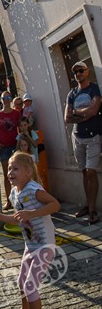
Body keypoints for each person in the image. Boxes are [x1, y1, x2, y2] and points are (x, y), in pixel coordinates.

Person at [0, 151, 60, 309]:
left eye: (15, 168)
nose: (10, 171)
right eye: (9, 168)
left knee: (30, 286)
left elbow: (55, 205)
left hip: (44, 246)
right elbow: (17, 219)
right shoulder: (14, 193)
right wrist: (1, 217)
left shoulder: (33, 189)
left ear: (28, 172)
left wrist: (32, 213)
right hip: (31, 245)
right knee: (22, 281)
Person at [64, 61, 101, 223]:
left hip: (94, 136)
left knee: (91, 171)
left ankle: (93, 209)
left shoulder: (94, 89)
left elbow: (95, 110)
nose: (78, 74)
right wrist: (85, 114)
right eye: (75, 72)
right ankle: (87, 205)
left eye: (81, 70)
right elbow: (67, 118)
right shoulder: (72, 94)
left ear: (87, 72)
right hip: (78, 136)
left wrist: (77, 112)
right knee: (84, 172)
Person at [0, 91, 22, 208]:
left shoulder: (16, 114)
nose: (6, 99)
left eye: (8, 97)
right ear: (1, 100)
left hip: (15, 146)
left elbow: (21, 129)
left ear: (11, 99)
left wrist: (20, 143)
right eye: (4, 97)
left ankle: (20, 199)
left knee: (19, 173)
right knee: (6, 174)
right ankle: (9, 201)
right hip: (3, 147)